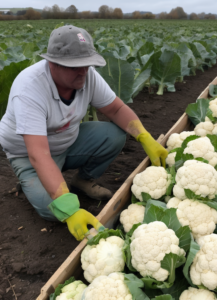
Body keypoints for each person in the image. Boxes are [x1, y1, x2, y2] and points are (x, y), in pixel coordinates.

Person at [0, 25, 168, 241]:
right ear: (52, 63)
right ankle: (30, 181)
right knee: (53, 210)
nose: (83, 71)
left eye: (87, 64)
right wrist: (68, 209)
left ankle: (83, 180)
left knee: (114, 134)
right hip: (29, 155)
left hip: (67, 143)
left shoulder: (87, 76)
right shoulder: (29, 90)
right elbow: (38, 154)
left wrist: (145, 137)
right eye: (74, 66)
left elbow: (115, 109)